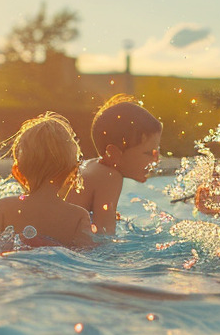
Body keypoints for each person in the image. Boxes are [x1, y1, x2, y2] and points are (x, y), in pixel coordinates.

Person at [0, 113, 95, 248]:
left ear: (17, 172)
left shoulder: (3, 207)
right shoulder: (78, 217)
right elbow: (87, 255)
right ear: (73, 174)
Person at [66, 94, 163, 234]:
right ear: (114, 153)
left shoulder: (90, 167)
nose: (156, 159)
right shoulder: (110, 177)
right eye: (149, 153)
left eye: (157, 151)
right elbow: (104, 238)